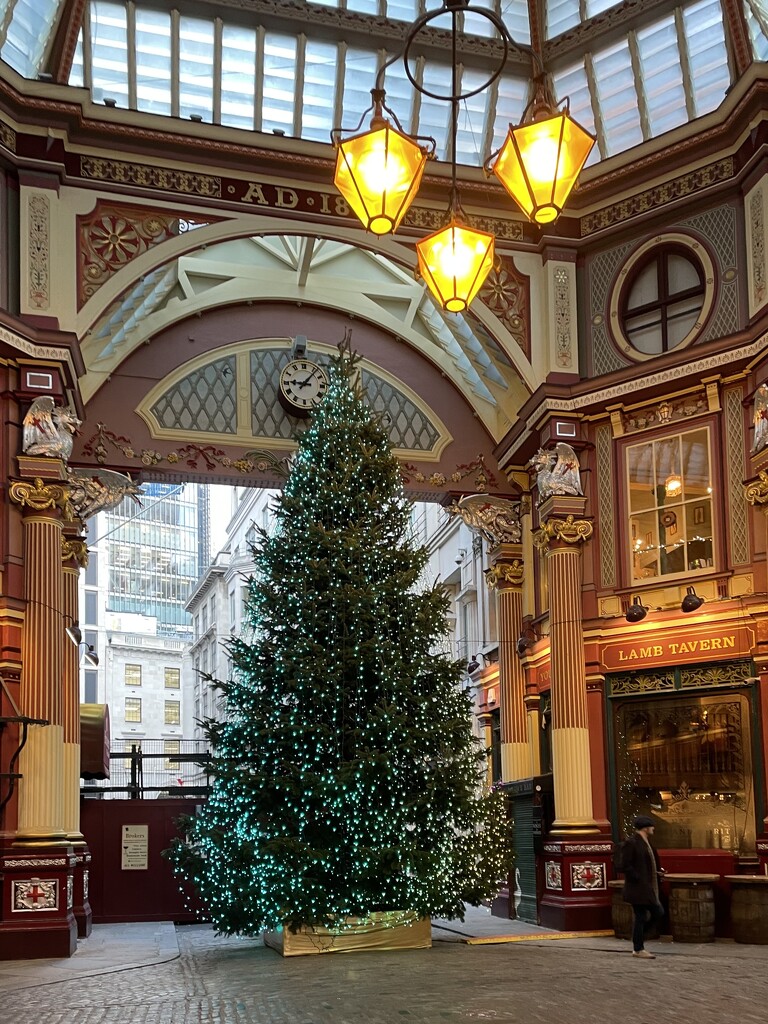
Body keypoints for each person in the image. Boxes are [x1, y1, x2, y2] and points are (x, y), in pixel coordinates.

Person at [619, 815, 665, 959]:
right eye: (652, 826)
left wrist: (657, 871)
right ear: (646, 827)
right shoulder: (632, 843)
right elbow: (624, 865)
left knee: (655, 913)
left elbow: (647, 862)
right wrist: (638, 877)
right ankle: (638, 947)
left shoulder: (647, 843)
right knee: (649, 914)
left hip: (647, 887)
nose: (653, 828)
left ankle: (638, 942)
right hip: (638, 888)